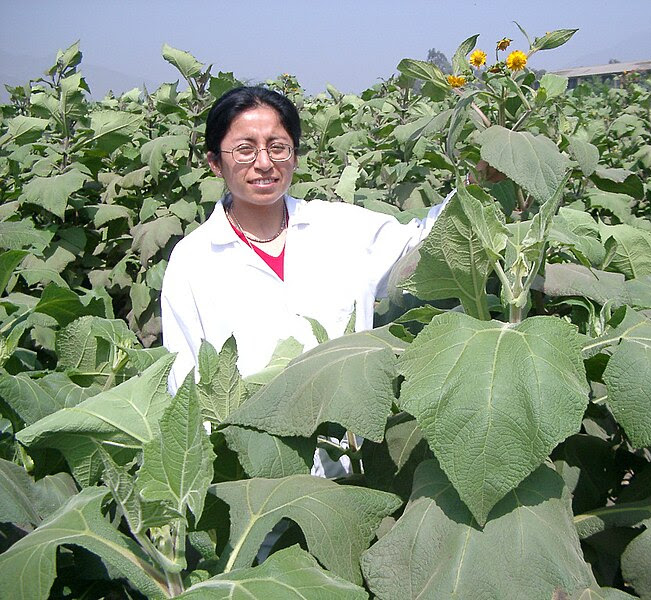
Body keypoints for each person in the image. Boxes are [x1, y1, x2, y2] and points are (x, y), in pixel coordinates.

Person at [160, 86, 449, 473]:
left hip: (357, 466)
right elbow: (185, 382)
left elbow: (423, 239)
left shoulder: (341, 227)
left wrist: (478, 184)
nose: (264, 163)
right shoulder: (193, 260)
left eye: (278, 147)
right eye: (245, 149)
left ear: (294, 156)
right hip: (258, 476)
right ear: (215, 162)